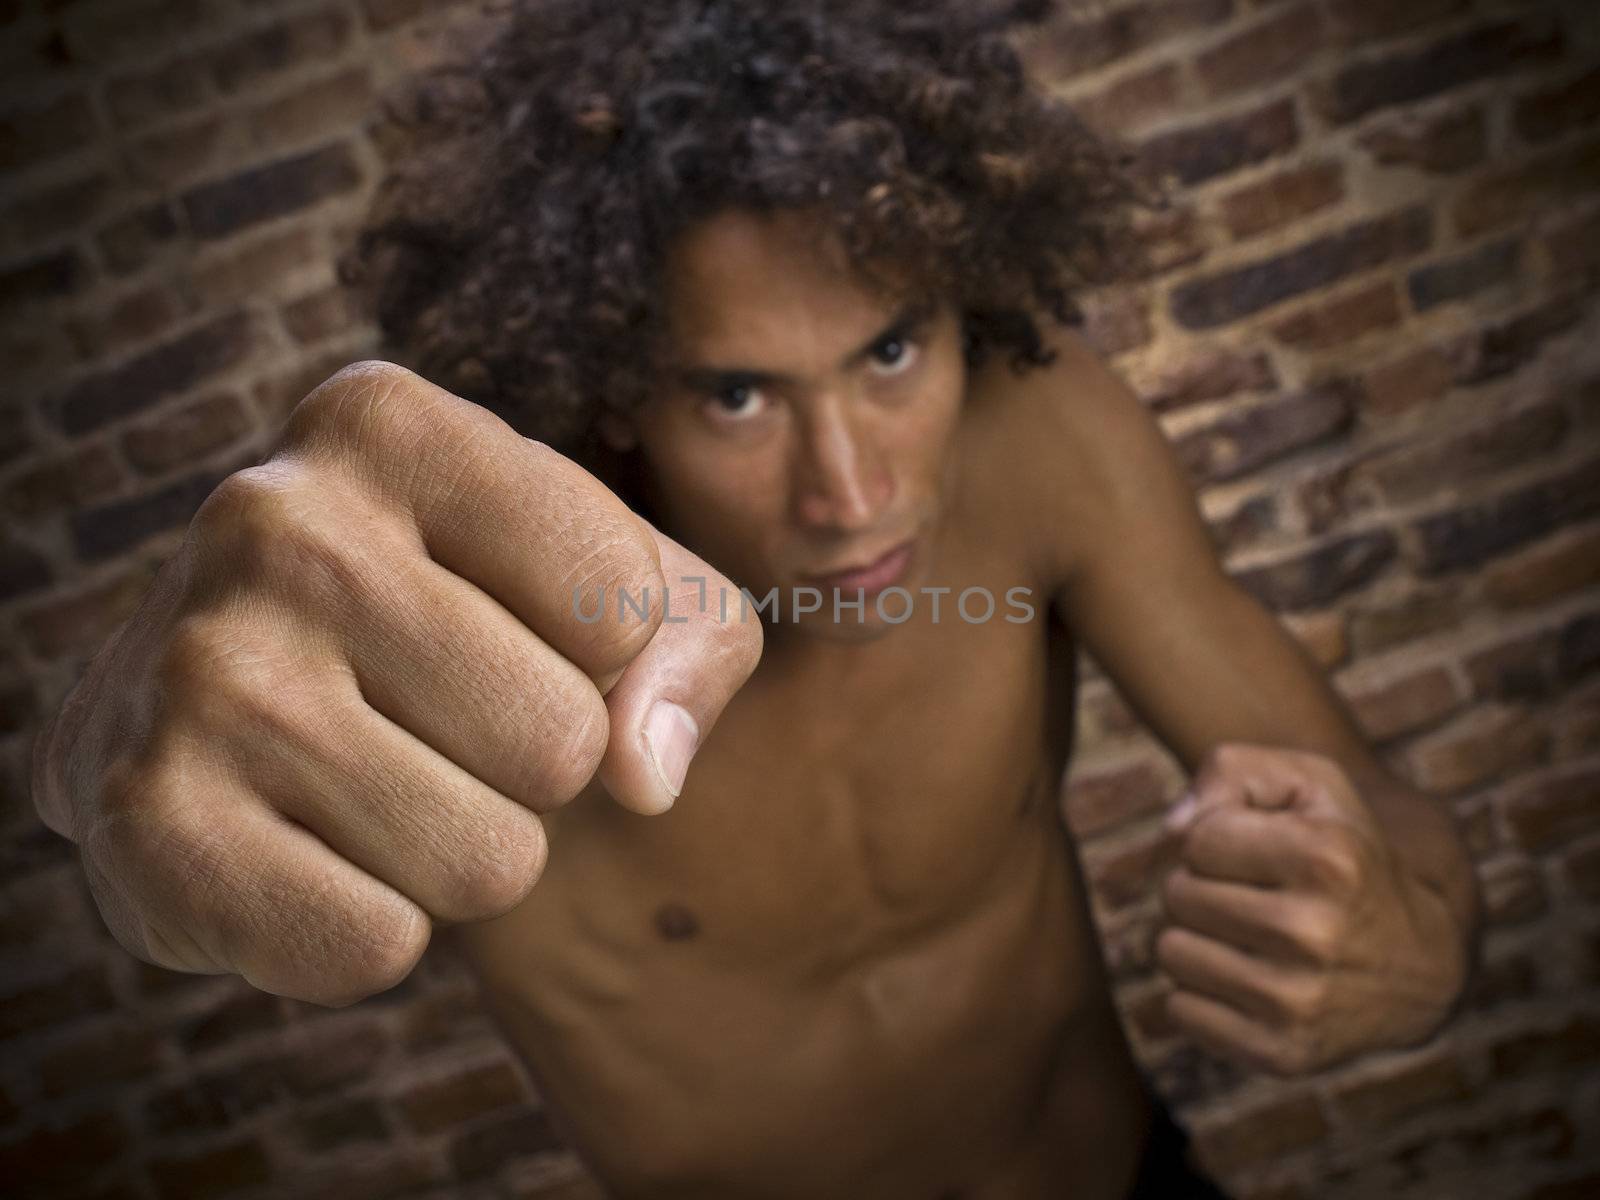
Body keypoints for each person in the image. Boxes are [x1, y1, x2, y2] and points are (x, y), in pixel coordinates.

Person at [30, 1, 1482, 1196]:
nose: (848, 491)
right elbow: (180, 804)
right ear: (613, 391)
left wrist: (1409, 934)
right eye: (736, 395)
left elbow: (1377, 818)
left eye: (894, 353)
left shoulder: (1050, 447)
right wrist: (110, 774)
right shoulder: (477, 619)